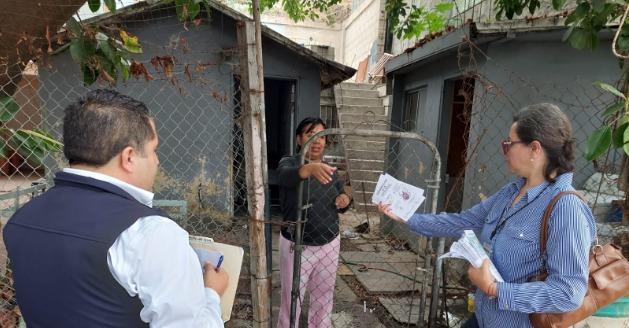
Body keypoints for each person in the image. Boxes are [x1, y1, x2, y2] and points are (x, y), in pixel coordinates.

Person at [4, 89, 229, 328]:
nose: (157, 161)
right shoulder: (152, 233)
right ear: (129, 157)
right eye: (154, 150)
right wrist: (211, 294)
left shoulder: (21, 219)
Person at [378, 103, 596, 328]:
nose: (505, 149)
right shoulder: (511, 192)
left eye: (509, 144)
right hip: (484, 318)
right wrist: (408, 217)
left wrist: (495, 289)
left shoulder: (566, 209)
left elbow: (568, 293)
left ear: (535, 150)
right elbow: (463, 222)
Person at [276, 117, 351, 328]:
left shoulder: (331, 171)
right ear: (300, 139)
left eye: (322, 136)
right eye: (311, 135)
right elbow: (285, 177)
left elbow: (342, 199)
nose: (317, 141)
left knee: (323, 297)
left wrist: (344, 201)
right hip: (296, 243)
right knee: (292, 298)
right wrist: (308, 169)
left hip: (329, 243)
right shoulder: (289, 162)